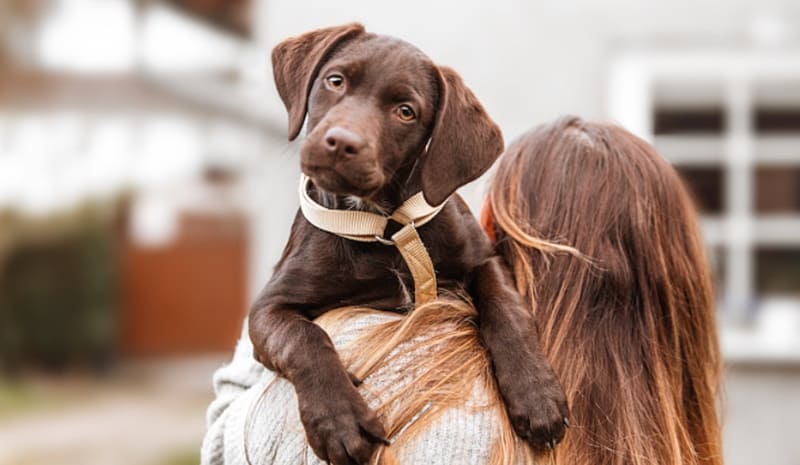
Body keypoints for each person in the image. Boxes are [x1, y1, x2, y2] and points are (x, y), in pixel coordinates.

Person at [201, 117, 723, 465]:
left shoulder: (388, 386)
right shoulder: (669, 440)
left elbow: (225, 445)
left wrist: (281, 305)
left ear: (494, 225)